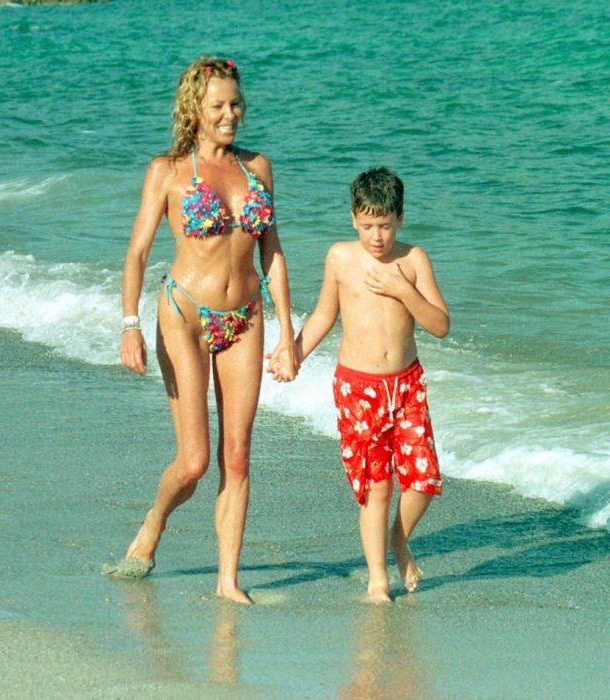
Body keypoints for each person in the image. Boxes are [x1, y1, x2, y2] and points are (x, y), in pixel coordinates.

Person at [105, 56, 300, 604]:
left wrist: (288, 332)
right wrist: (129, 325)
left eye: (236, 103)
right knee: (195, 461)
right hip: (184, 314)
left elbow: (273, 253)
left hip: (246, 317)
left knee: (237, 455)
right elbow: (138, 252)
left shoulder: (257, 167)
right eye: (218, 105)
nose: (230, 114)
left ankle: (227, 581)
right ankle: (155, 521)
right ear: (194, 109)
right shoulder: (166, 171)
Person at [283, 167, 449, 603]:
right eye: (369, 226)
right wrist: (294, 352)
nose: (378, 237)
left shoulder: (413, 260)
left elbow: (440, 325)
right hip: (358, 389)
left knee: (423, 479)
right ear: (353, 219)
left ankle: (399, 539)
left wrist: (403, 290)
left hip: (407, 385)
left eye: (386, 226)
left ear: (401, 218)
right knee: (376, 486)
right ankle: (378, 578)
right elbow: (324, 315)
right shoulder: (340, 258)